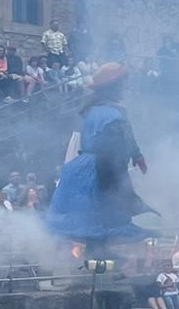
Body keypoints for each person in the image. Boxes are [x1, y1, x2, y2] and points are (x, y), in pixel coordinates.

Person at [43, 63, 156, 248]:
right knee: (105, 219)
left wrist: (137, 155)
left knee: (87, 222)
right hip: (102, 168)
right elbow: (118, 146)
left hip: (83, 168)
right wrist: (124, 184)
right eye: (123, 83)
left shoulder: (93, 111)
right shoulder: (114, 115)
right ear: (115, 87)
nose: (126, 87)